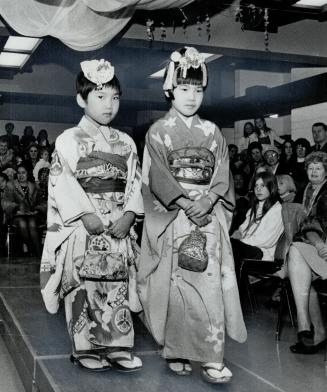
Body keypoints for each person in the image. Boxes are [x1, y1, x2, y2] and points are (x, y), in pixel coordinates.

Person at [138, 47, 246, 384]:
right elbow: (157, 176)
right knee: (177, 285)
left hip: (208, 216)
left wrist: (210, 198)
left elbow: (223, 171)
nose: (191, 96)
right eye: (184, 89)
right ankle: (177, 350)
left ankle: (213, 356)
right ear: (170, 89)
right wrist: (186, 204)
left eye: (198, 90)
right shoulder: (157, 131)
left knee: (210, 285)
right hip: (176, 218)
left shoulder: (213, 132)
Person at [40, 59, 143, 372]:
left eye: (115, 98)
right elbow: (61, 180)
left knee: (117, 285)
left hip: (117, 223)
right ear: (81, 99)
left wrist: (129, 215)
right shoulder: (68, 140)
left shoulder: (126, 143)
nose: (109, 105)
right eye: (100, 97)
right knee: (84, 286)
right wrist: (85, 213)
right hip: (85, 225)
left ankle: (118, 347)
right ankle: (84, 348)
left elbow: (136, 182)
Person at [288, 151, 327, 354]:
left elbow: (315, 222)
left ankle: (308, 329)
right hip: (318, 247)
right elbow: (308, 224)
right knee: (298, 260)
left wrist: (319, 243)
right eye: (310, 168)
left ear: (326, 172)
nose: (313, 171)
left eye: (318, 168)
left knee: (296, 254)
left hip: (323, 248)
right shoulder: (309, 191)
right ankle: (312, 330)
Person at [231, 172, 284, 275]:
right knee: (226, 243)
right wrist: (235, 236)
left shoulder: (277, 210)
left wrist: (239, 242)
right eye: (256, 186)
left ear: (271, 187)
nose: (258, 189)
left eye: (263, 186)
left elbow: (266, 241)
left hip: (262, 253)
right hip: (247, 247)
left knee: (231, 246)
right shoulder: (253, 208)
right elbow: (242, 229)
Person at [4, 164, 41, 256]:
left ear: (28, 174)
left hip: (31, 214)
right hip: (17, 215)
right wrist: (16, 209)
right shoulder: (10, 185)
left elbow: (42, 203)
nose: (21, 175)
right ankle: (36, 252)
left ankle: (36, 253)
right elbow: (5, 202)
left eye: (23, 173)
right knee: (22, 223)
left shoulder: (34, 186)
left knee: (32, 223)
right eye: (19, 173)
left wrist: (37, 210)